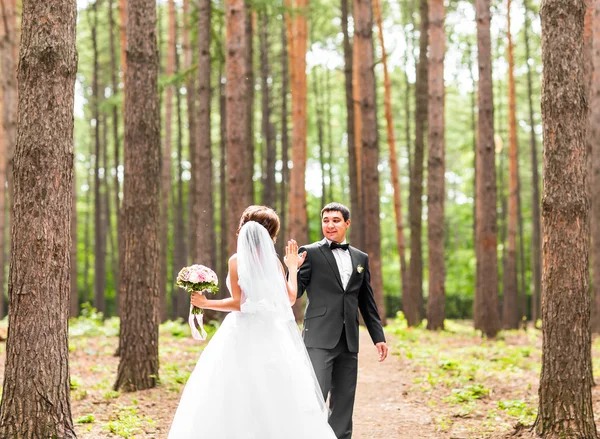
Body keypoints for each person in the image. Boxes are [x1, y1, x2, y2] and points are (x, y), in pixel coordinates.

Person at [167, 205, 336, 439]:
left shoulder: (236, 261)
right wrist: (292, 269)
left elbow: (239, 303)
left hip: (242, 332)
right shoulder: (275, 263)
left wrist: (206, 304)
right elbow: (289, 299)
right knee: (277, 390)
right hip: (272, 334)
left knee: (234, 390)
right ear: (269, 235)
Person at [296, 202, 388, 439]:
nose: (330, 225)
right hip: (318, 338)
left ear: (347, 223)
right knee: (315, 398)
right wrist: (291, 270)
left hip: (349, 341)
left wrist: (378, 337)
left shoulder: (360, 257)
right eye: (325, 220)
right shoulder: (310, 252)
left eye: (335, 220)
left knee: (344, 402)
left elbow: (366, 301)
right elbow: (294, 292)